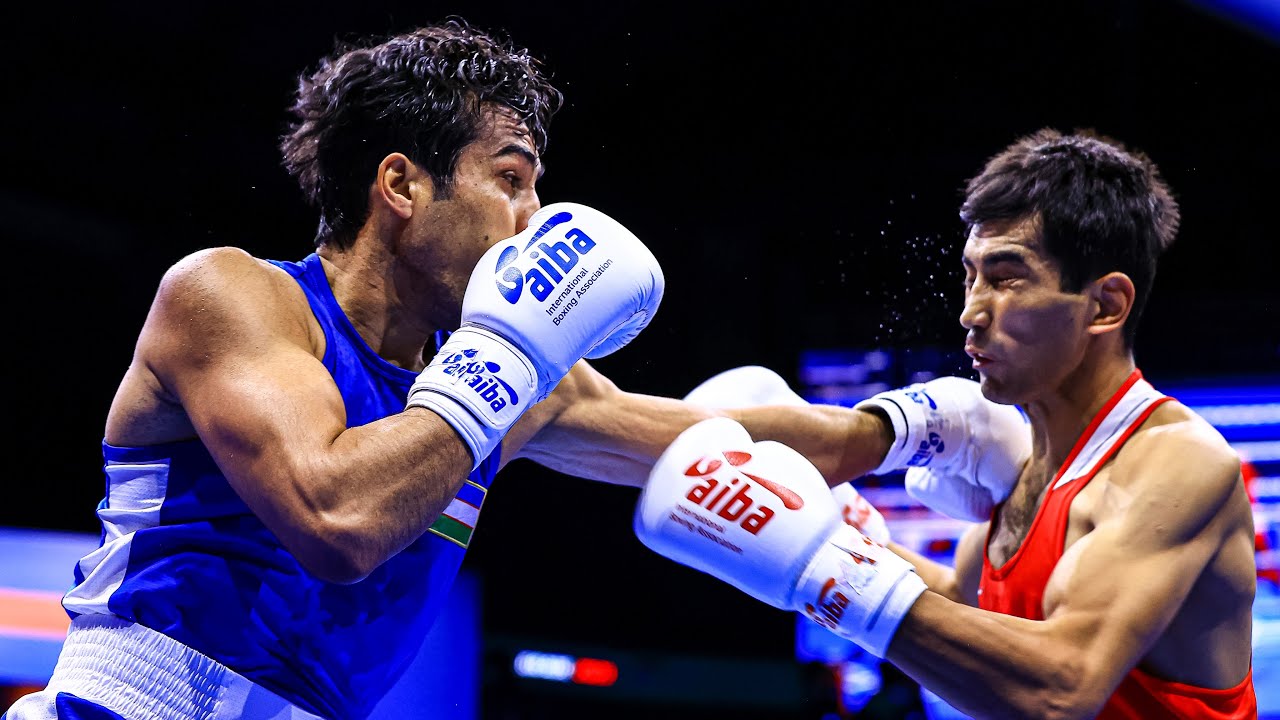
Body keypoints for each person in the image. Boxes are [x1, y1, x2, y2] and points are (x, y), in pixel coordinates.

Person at [4, 19, 962, 720]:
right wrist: (501, 362)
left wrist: (926, 421)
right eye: (511, 177)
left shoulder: (517, 383)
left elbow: (734, 441)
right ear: (402, 186)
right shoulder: (234, 299)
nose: (536, 216)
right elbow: (336, 522)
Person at [638, 129, 1258, 718]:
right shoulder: (1027, 478)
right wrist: (848, 531)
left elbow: (1063, 689)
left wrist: (825, 568)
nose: (971, 312)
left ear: (1105, 305)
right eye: (971, 276)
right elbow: (970, 612)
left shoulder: (1179, 463)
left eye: (1007, 278)